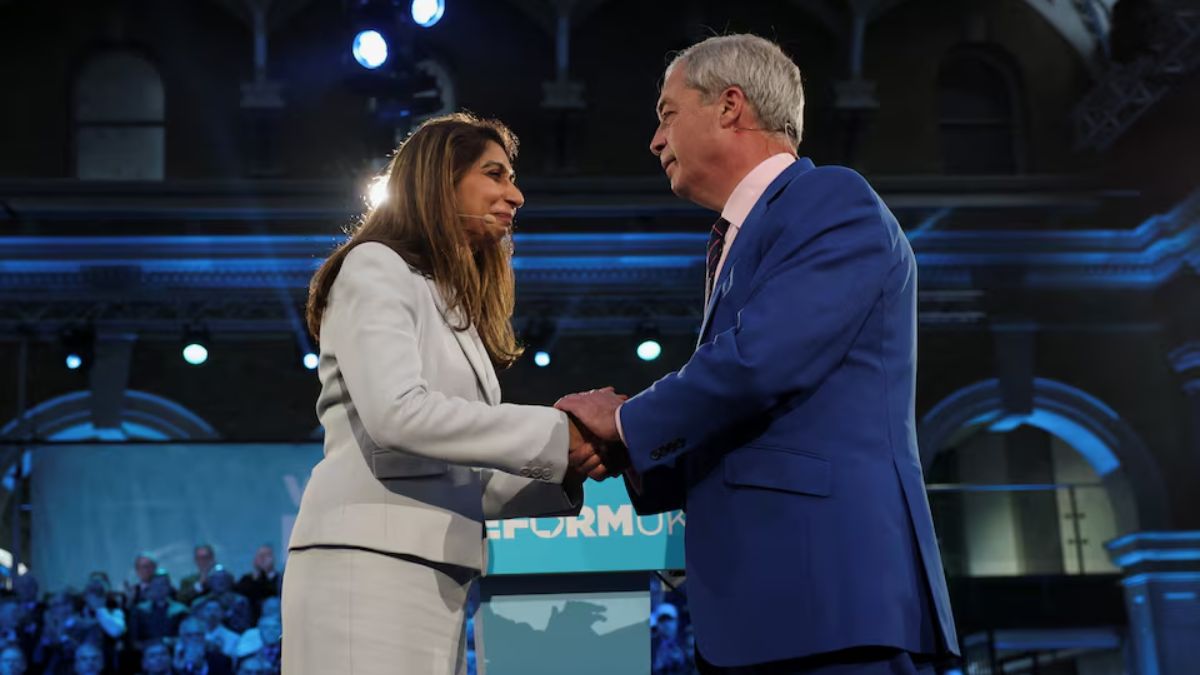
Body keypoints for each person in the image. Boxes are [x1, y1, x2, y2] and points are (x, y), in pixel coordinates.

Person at [555, 34, 959, 673]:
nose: (655, 141)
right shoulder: (742, 240)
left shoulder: (831, 199)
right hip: (772, 610)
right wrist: (627, 451)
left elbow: (760, 363)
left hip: (830, 604)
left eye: (666, 114)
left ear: (730, 107)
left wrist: (625, 422)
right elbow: (746, 413)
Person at [283, 112, 605, 674]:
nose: (517, 194)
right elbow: (397, 416)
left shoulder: (450, 307)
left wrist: (571, 465)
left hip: (436, 572)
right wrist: (559, 433)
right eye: (496, 174)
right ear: (440, 181)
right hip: (366, 568)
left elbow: (464, 484)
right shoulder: (375, 265)